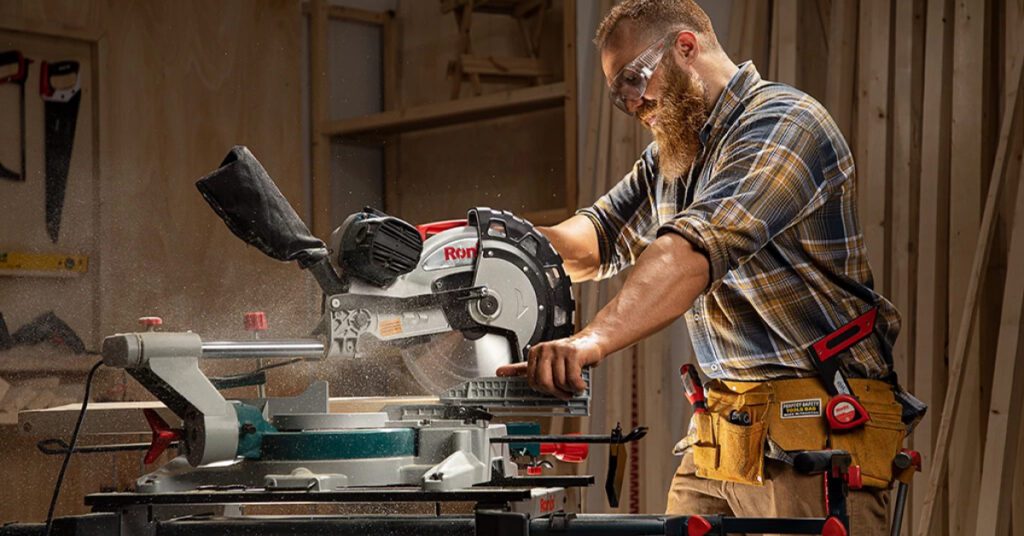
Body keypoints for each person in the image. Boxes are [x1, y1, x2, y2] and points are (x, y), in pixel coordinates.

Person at [495, 1, 918, 534]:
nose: (632, 104)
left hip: (813, 433)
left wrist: (591, 340)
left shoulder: (785, 125)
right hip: (722, 435)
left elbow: (692, 250)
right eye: (618, 93)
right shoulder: (676, 155)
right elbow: (595, 240)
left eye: (633, 79)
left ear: (685, 48)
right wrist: (486, 250)